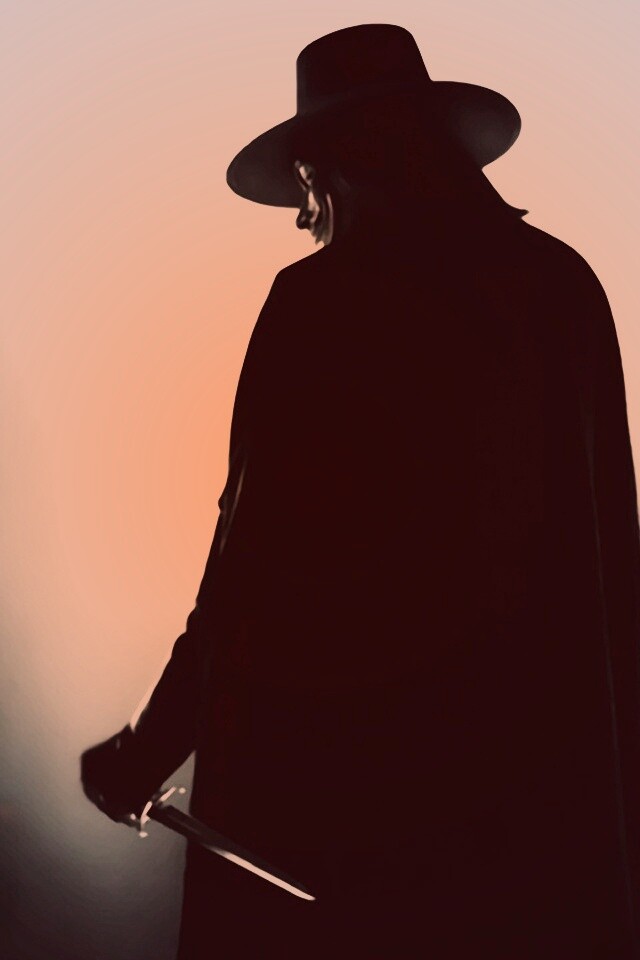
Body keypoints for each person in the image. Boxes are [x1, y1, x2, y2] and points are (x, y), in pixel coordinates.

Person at [81, 23, 640, 958]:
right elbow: (612, 567)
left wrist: (146, 751)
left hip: (349, 829)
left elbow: (247, 568)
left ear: (339, 167)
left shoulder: (321, 309)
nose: (305, 217)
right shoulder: (565, 291)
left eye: (307, 183)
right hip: (538, 835)